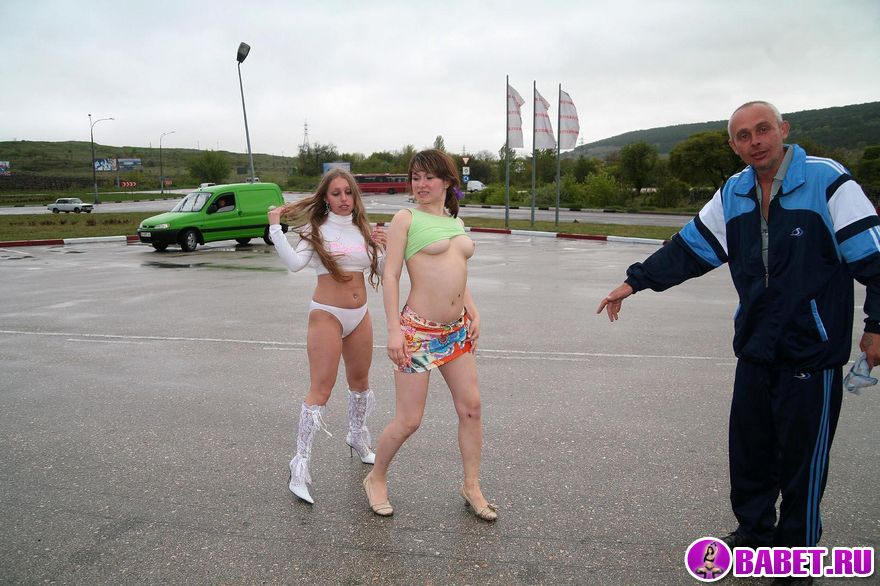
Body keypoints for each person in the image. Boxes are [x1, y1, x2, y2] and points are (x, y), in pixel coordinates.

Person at [597, 101, 880, 556]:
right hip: (755, 348)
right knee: (750, 455)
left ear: (783, 129)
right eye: (743, 136)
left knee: (803, 465)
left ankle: (796, 556)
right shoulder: (734, 192)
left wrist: (876, 325)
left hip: (811, 351)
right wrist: (635, 282)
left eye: (763, 130)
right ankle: (754, 533)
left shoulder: (827, 180)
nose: (755, 142)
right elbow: (690, 248)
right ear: (733, 145)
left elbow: (873, 257)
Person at [362, 149, 496, 520]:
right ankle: (376, 478)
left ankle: (471, 486)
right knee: (409, 420)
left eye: (428, 177)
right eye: (415, 177)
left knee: (471, 409)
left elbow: (456, 272)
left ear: (448, 181)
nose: (420, 184)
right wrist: (393, 330)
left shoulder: (455, 221)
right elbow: (391, 275)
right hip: (417, 333)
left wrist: (473, 311)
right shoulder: (406, 218)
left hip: (456, 332)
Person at [267, 168, 386, 504]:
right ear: (326, 198)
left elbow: (380, 270)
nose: (343, 199)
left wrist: (384, 248)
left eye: (348, 192)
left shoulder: (364, 229)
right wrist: (275, 228)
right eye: (336, 193)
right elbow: (295, 264)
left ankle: (357, 437)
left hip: (360, 315)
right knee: (321, 389)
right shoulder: (315, 229)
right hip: (327, 314)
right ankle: (299, 466)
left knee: (360, 383)